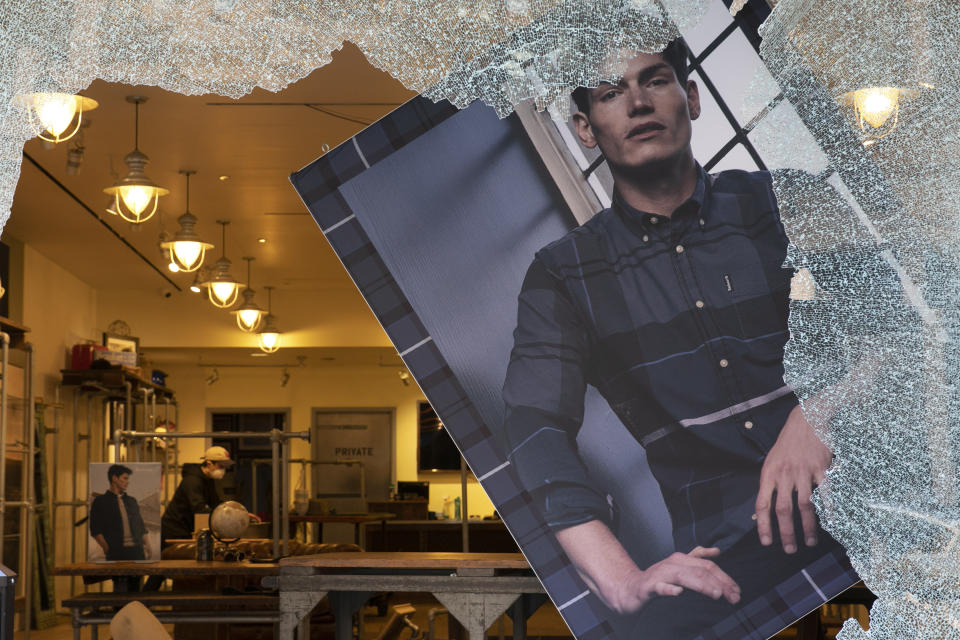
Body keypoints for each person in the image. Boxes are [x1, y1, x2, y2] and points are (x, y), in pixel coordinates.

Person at [500, 39, 853, 638]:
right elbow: (535, 430)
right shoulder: (562, 275)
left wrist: (820, 413)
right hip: (730, 556)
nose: (638, 103)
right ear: (586, 130)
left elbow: (911, 314)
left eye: (655, 81)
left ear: (689, 97)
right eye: (612, 93)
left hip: (875, 493)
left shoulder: (785, 201)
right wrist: (618, 577)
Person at [89, 464, 150, 591]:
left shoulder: (131, 501)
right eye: (125, 478)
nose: (127, 482)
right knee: (119, 588)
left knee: (136, 588)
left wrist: (148, 547)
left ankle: (134, 610)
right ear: (114, 478)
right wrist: (107, 548)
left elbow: (140, 526)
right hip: (117, 551)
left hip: (137, 551)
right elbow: (96, 529)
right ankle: (119, 610)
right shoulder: (101, 501)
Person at [160, 445, 233, 542]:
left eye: (225, 467)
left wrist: (235, 512)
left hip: (185, 529)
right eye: (221, 466)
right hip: (174, 531)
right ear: (209, 464)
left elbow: (216, 503)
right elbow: (199, 508)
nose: (223, 470)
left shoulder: (209, 480)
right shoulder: (192, 481)